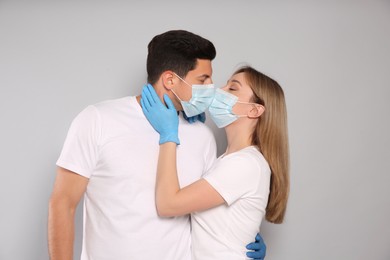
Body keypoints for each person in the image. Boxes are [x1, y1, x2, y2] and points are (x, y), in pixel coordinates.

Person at [48, 30, 266, 260]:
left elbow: (205, 207)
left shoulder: (202, 136)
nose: (212, 88)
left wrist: (240, 240)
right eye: (203, 80)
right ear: (170, 79)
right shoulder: (98, 120)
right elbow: (62, 203)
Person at [141, 65, 289, 259]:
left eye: (232, 88)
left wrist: (169, 134)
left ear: (254, 110)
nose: (220, 90)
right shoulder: (227, 160)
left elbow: (168, 204)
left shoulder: (245, 164)